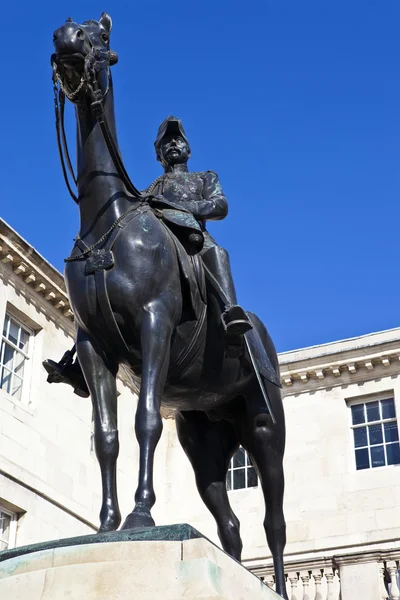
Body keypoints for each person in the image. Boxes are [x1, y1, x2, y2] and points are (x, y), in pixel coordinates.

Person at [43, 116, 252, 394]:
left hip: (191, 238)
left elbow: (220, 206)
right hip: (156, 249)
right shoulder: (149, 189)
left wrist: (185, 207)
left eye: (178, 140)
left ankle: (229, 316)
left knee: (218, 254)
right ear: (158, 155)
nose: (173, 145)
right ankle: (81, 366)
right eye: (166, 143)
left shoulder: (204, 177)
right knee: (107, 293)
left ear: (188, 149)